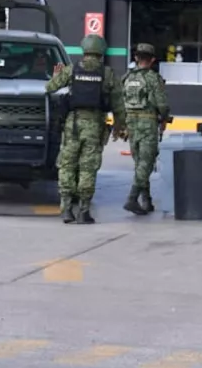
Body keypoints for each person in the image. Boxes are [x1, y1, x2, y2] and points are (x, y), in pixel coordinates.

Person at [45, 34, 127, 225]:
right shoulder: (107, 74)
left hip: (72, 124)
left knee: (67, 165)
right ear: (101, 51)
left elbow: (49, 88)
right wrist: (119, 126)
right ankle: (83, 211)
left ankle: (66, 209)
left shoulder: (72, 70)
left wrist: (57, 76)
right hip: (95, 125)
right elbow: (118, 105)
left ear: (84, 49)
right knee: (88, 168)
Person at [121, 42, 170, 215]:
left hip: (131, 124)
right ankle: (132, 199)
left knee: (140, 163)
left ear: (136, 58)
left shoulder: (127, 77)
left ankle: (146, 201)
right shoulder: (152, 78)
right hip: (147, 123)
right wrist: (164, 117)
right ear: (152, 60)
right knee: (146, 163)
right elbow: (162, 104)